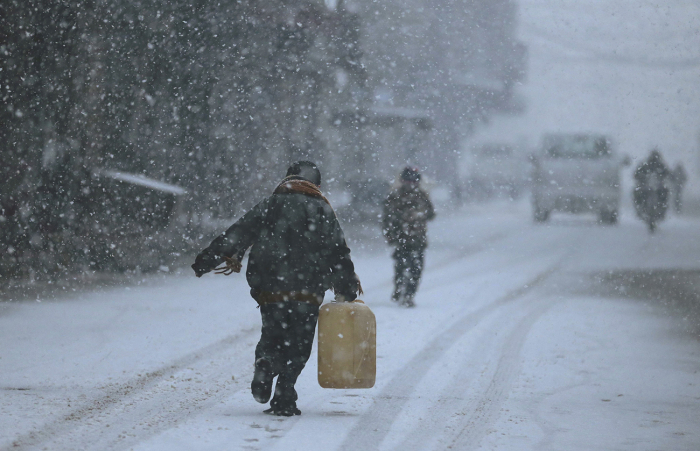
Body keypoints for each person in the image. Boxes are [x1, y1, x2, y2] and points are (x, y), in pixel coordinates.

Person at [191, 161, 361, 416]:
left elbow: (238, 233)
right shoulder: (321, 208)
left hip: (270, 288)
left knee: (272, 334)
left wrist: (207, 259)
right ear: (316, 184)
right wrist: (346, 286)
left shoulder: (270, 205)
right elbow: (337, 251)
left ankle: (266, 363)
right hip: (307, 290)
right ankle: (284, 396)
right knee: (299, 343)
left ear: (288, 178)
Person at [382, 166, 435, 307]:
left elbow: (430, 214)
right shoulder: (399, 196)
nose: (410, 184)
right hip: (407, 239)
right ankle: (404, 293)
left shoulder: (414, 196)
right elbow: (387, 218)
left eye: (413, 181)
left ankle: (405, 294)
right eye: (408, 181)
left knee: (410, 268)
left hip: (411, 239)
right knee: (408, 268)